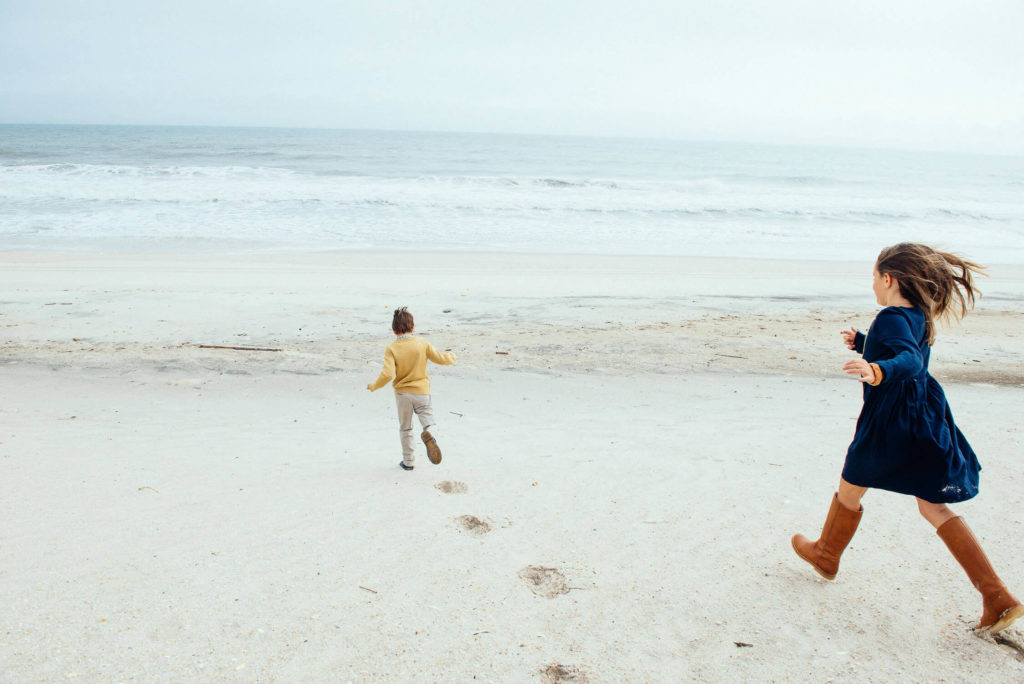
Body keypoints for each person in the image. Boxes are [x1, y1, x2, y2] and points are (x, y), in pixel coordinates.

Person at [791, 242, 1024, 634]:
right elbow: (906, 350)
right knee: (932, 507)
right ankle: (996, 597)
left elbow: (909, 361)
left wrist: (877, 370)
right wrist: (866, 344)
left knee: (851, 484)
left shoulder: (891, 316)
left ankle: (827, 554)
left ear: (888, 278)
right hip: (922, 418)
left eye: (874, 278)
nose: (872, 286)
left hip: (891, 420)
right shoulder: (918, 316)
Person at [367, 307, 456, 470]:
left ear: (394, 330)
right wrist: (451, 356)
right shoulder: (422, 343)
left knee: (406, 428)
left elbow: (387, 374)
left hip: (403, 395)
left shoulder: (392, 348)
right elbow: (440, 358)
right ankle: (431, 434)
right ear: (413, 328)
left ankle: (408, 462)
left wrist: (374, 386)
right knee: (428, 420)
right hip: (422, 392)